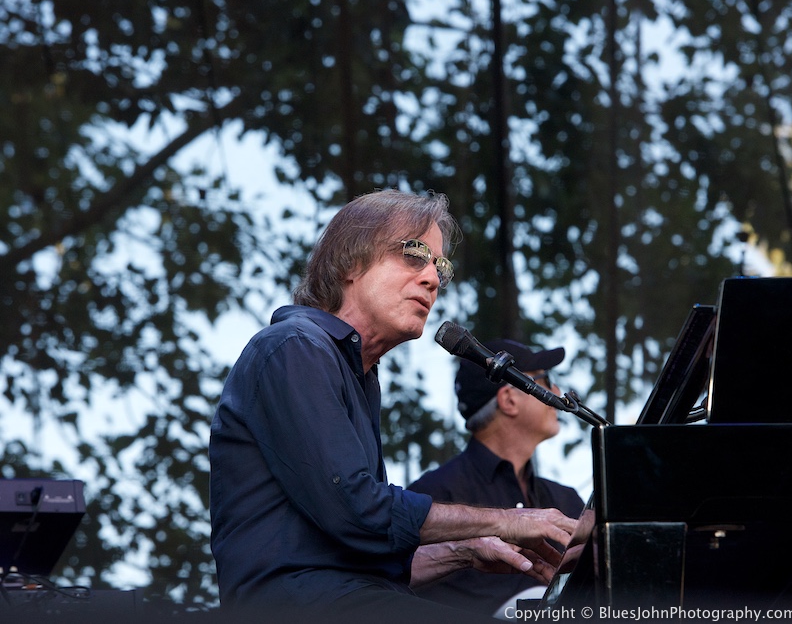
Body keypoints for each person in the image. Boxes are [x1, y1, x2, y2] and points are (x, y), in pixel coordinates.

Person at [208, 190, 578, 623]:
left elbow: (358, 555)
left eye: (440, 266)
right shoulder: (295, 348)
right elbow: (356, 509)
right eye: (414, 254)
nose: (433, 279)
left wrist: (463, 551)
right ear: (350, 261)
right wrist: (504, 521)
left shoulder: (357, 375)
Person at [408, 339, 586, 616]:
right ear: (509, 399)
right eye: (545, 380)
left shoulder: (567, 500)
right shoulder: (430, 498)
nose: (557, 392)